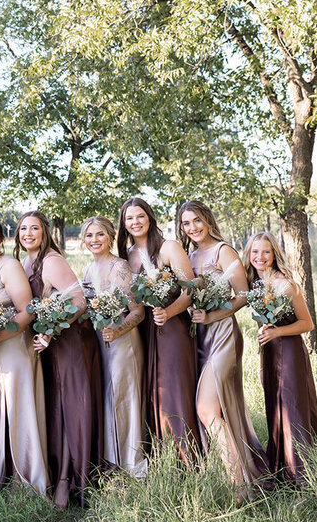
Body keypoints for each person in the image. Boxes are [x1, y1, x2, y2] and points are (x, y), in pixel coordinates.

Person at [177, 200, 263, 492]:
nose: (193, 228)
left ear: (207, 220)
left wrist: (212, 314)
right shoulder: (188, 255)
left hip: (223, 335)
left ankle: (239, 484)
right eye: (187, 223)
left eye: (197, 221)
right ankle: (234, 472)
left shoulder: (223, 251)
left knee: (207, 409)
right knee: (213, 409)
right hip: (198, 337)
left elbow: (243, 294)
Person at [17, 210, 100, 507]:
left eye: (34, 229)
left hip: (70, 342)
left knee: (69, 407)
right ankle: (55, 474)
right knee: (54, 406)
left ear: (45, 231)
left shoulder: (51, 261)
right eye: (23, 229)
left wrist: (51, 331)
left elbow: (78, 301)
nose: (28, 233)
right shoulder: (27, 261)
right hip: (47, 346)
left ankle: (73, 479)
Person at [117, 197, 202, 464]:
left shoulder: (168, 248)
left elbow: (189, 288)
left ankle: (187, 460)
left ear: (150, 218)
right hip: (142, 333)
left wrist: (169, 312)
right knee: (153, 391)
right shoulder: (126, 257)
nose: (135, 222)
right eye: (129, 218)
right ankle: (160, 456)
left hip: (172, 329)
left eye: (140, 216)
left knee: (173, 390)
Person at [0, 215, 48, 494]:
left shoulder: (9, 265)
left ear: (0, 239)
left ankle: (30, 479)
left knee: (19, 409)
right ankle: (5, 476)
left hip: (14, 347)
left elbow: (27, 310)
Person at [243, 231, 317, 487]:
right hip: (269, 352)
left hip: (288, 351)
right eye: (255, 252)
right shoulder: (255, 285)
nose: (260, 257)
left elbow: (307, 323)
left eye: (265, 252)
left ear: (274, 254)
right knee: (275, 406)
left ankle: (302, 475)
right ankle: (281, 466)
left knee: (292, 406)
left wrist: (276, 331)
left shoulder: (286, 285)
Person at [80, 215, 147, 477]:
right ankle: (110, 459)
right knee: (108, 397)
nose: (94, 240)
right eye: (89, 235)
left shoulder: (119, 267)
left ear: (110, 237)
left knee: (123, 396)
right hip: (99, 341)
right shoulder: (88, 269)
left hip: (122, 342)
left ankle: (132, 461)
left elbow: (138, 312)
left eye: (99, 234)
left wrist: (117, 330)